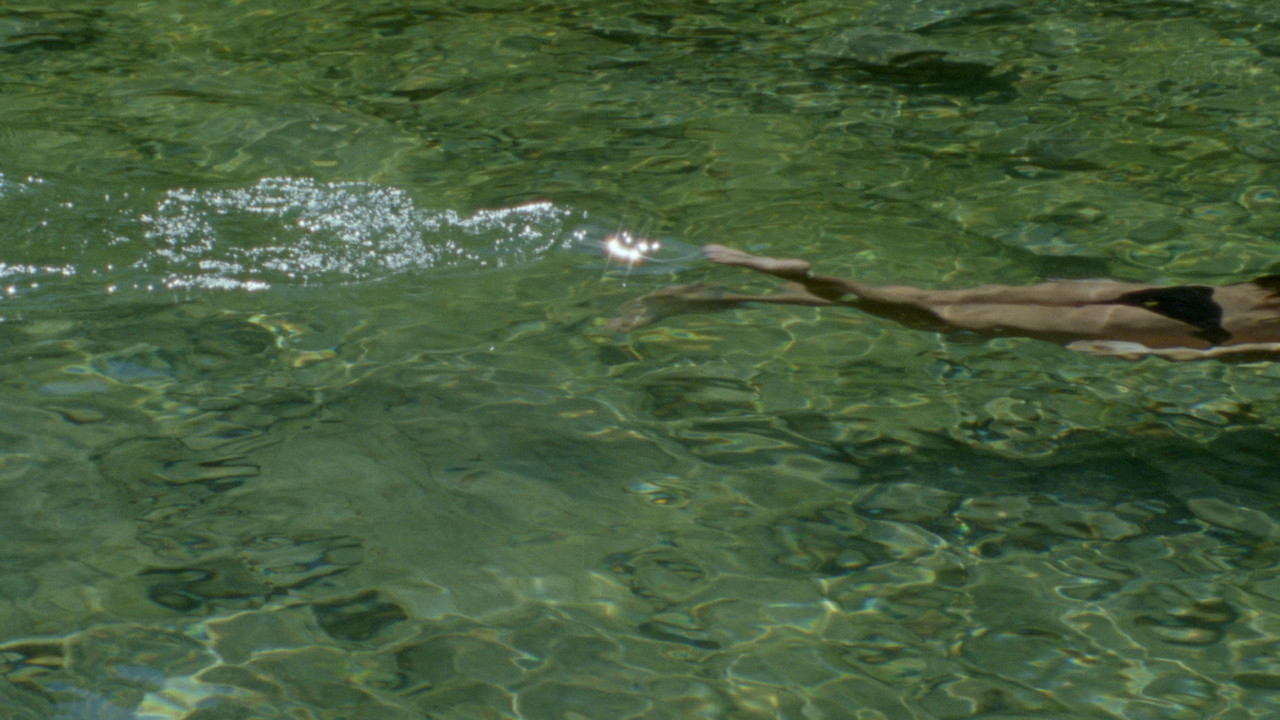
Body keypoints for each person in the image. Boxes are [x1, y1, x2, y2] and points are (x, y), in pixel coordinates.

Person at [607, 244, 1280, 360]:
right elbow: (1246, 356)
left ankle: (718, 294)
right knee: (946, 319)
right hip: (1191, 333)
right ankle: (806, 279)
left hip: (1188, 295)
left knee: (943, 297)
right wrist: (1142, 356)